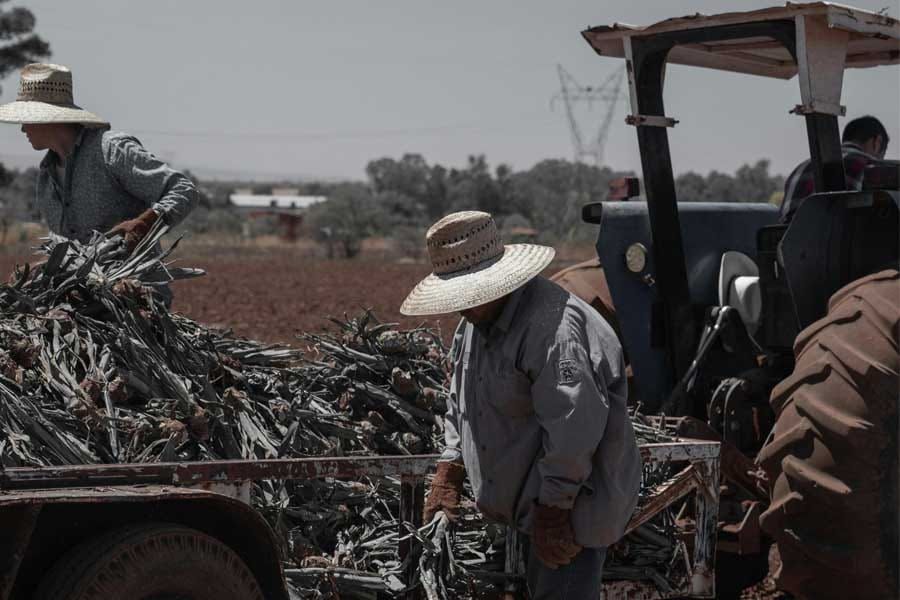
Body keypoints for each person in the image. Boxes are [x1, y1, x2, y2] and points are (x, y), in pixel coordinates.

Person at [401, 210, 641, 599]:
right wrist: (451, 468)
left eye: (470, 295)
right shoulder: (473, 326)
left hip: (571, 512)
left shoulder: (554, 331)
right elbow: (459, 402)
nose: (462, 306)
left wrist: (555, 513)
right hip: (526, 509)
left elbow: (573, 430)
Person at [0, 63, 198, 250]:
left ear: (46, 117)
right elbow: (62, 243)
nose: (23, 128)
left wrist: (145, 222)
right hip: (83, 286)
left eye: (26, 119)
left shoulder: (111, 149)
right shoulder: (46, 177)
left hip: (135, 284)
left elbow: (183, 190)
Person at [780, 115, 890, 222]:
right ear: (877, 142)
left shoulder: (798, 170)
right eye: (883, 154)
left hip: (792, 239)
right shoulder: (873, 168)